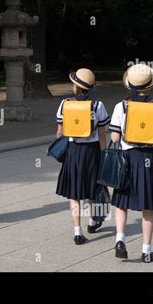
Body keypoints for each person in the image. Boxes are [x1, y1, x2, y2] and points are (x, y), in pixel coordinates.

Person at [108, 64, 153, 262]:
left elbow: (114, 138)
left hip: (126, 159)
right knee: (147, 207)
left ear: (129, 84)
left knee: (121, 203)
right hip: (148, 159)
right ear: (149, 87)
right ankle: (146, 251)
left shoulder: (120, 107)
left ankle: (120, 239)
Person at [55, 68, 110, 245]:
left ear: (75, 87)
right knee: (93, 188)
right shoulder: (98, 105)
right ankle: (93, 221)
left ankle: (77, 232)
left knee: (74, 193)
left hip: (73, 150)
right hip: (93, 151)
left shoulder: (65, 103)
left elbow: (59, 132)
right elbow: (103, 134)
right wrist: (105, 155)